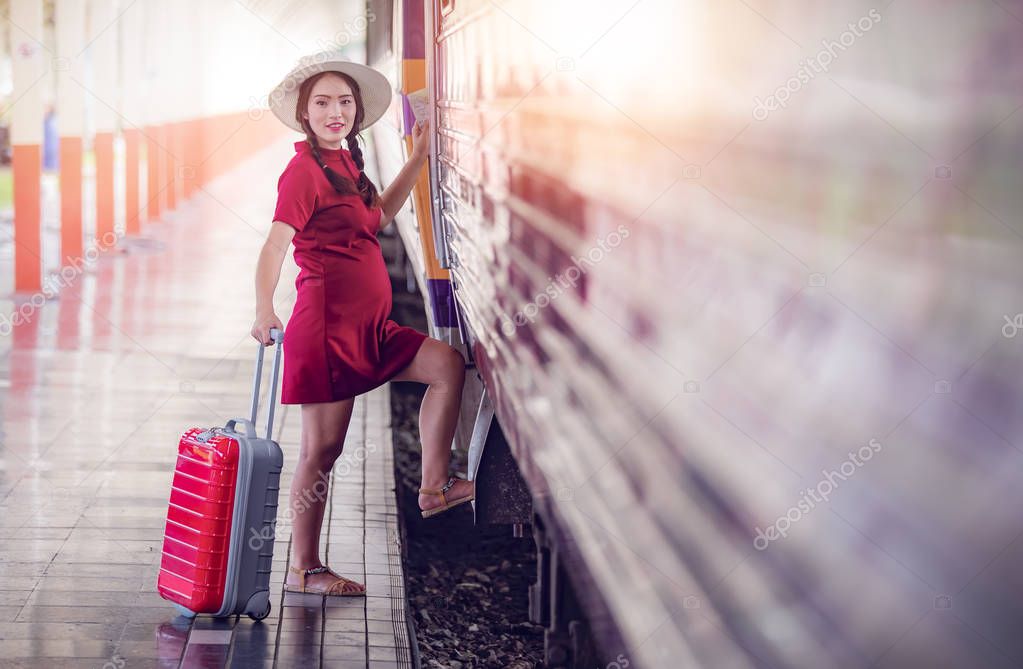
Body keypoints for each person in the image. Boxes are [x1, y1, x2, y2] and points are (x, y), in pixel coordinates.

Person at [250, 53, 475, 597]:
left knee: (447, 364)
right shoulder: (302, 172)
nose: (336, 112)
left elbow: (378, 219)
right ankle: (305, 568)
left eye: (344, 102)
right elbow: (274, 245)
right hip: (327, 332)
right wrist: (263, 307)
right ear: (305, 114)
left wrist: (418, 159)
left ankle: (433, 488)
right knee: (321, 453)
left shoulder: (347, 163)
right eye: (323, 103)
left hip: (371, 326)